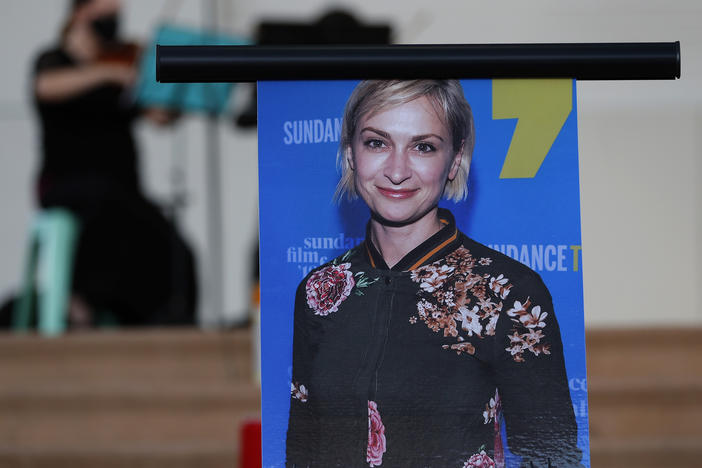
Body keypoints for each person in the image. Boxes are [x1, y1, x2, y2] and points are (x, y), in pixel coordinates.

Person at [286, 80, 583, 467]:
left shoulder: (509, 293)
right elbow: (302, 451)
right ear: (350, 153)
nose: (397, 170)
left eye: (423, 147)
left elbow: (552, 458)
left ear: (455, 160)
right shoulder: (318, 291)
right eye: (377, 143)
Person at [31, 0, 196, 326]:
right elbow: (45, 87)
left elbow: (159, 117)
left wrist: (172, 93)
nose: (114, 18)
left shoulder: (125, 61)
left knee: (176, 248)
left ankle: (160, 319)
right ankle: (85, 305)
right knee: (109, 216)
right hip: (67, 185)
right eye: (105, 11)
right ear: (80, 12)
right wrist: (108, 71)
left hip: (121, 190)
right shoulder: (54, 60)